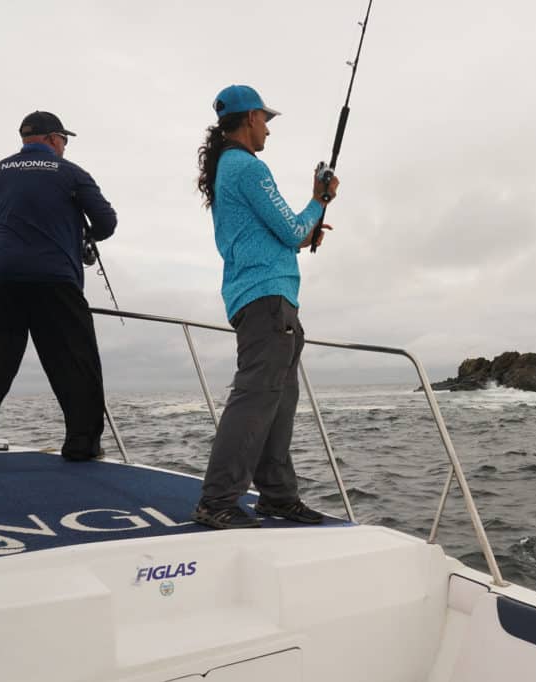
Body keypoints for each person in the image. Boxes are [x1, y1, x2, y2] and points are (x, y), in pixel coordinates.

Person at [0, 111, 116, 463]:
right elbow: (106, 223)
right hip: (57, 283)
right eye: (64, 140)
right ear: (52, 138)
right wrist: (77, 233)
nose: (64, 146)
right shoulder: (72, 173)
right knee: (75, 364)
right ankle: (82, 444)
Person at [192, 84, 339, 530]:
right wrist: (319, 197)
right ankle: (217, 500)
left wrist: (306, 230)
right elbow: (293, 229)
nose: (269, 131)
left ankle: (277, 496)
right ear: (250, 117)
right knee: (256, 398)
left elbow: (278, 234)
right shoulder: (247, 167)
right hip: (266, 299)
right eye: (266, 120)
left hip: (266, 297)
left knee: (280, 400)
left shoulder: (227, 167)